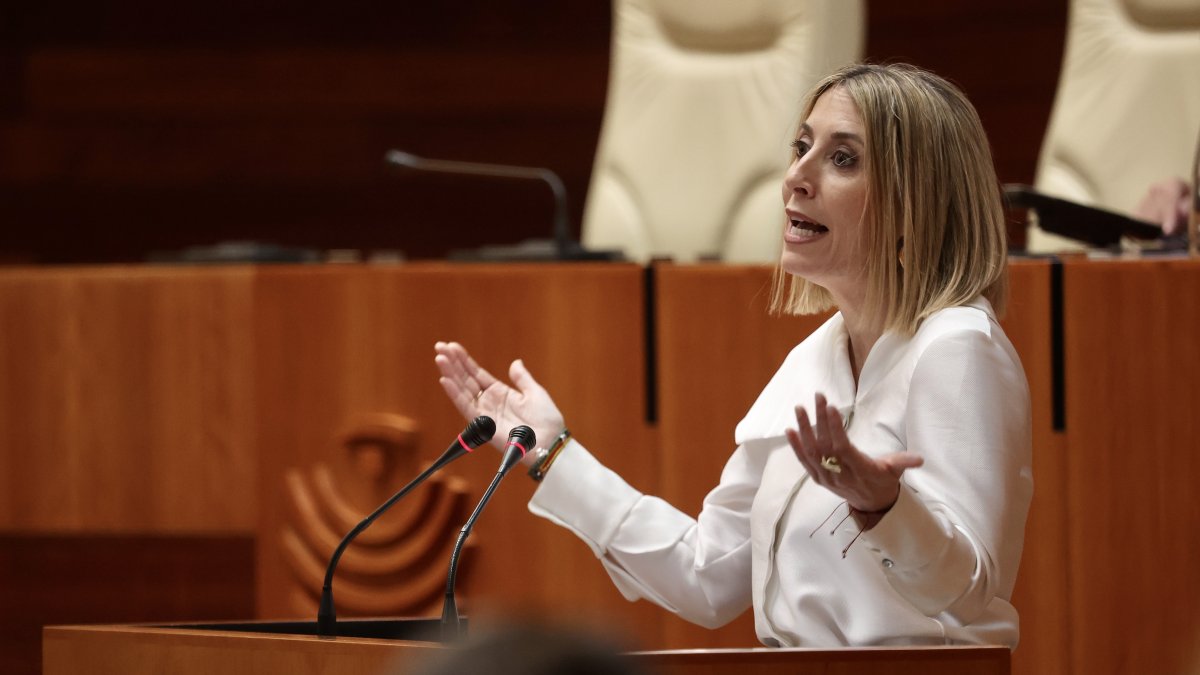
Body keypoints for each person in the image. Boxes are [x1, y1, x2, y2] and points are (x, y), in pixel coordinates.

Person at [434, 63, 1033, 649]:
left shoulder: (955, 346)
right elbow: (707, 575)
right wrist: (550, 454)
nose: (796, 177)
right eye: (801, 147)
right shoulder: (813, 360)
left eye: (842, 157)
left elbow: (967, 589)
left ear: (915, 202)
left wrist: (885, 507)